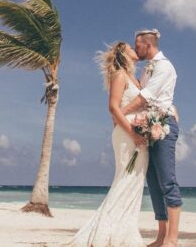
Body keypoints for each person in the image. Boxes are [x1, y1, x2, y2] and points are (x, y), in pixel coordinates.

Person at [68, 41, 149, 247]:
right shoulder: (119, 75)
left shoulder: (137, 79)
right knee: (124, 179)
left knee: (135, 182)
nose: (134, 49)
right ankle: (106, 232)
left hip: (138, 136)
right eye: (131, 47)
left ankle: (124, 229)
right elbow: (113, 108)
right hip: (127, 136)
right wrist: (133, 134)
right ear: (123, 53)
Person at [121, 29, 181, 247]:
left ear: (148, 45)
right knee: (154, 184)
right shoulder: (147, 70)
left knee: (167, 181)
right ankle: (161, 236)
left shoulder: (164, 66)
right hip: (150, 126)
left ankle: (172, 239)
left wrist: (120, 113)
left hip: (163, 127)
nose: (136, 49)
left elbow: (145, 97)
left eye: (137, 46)